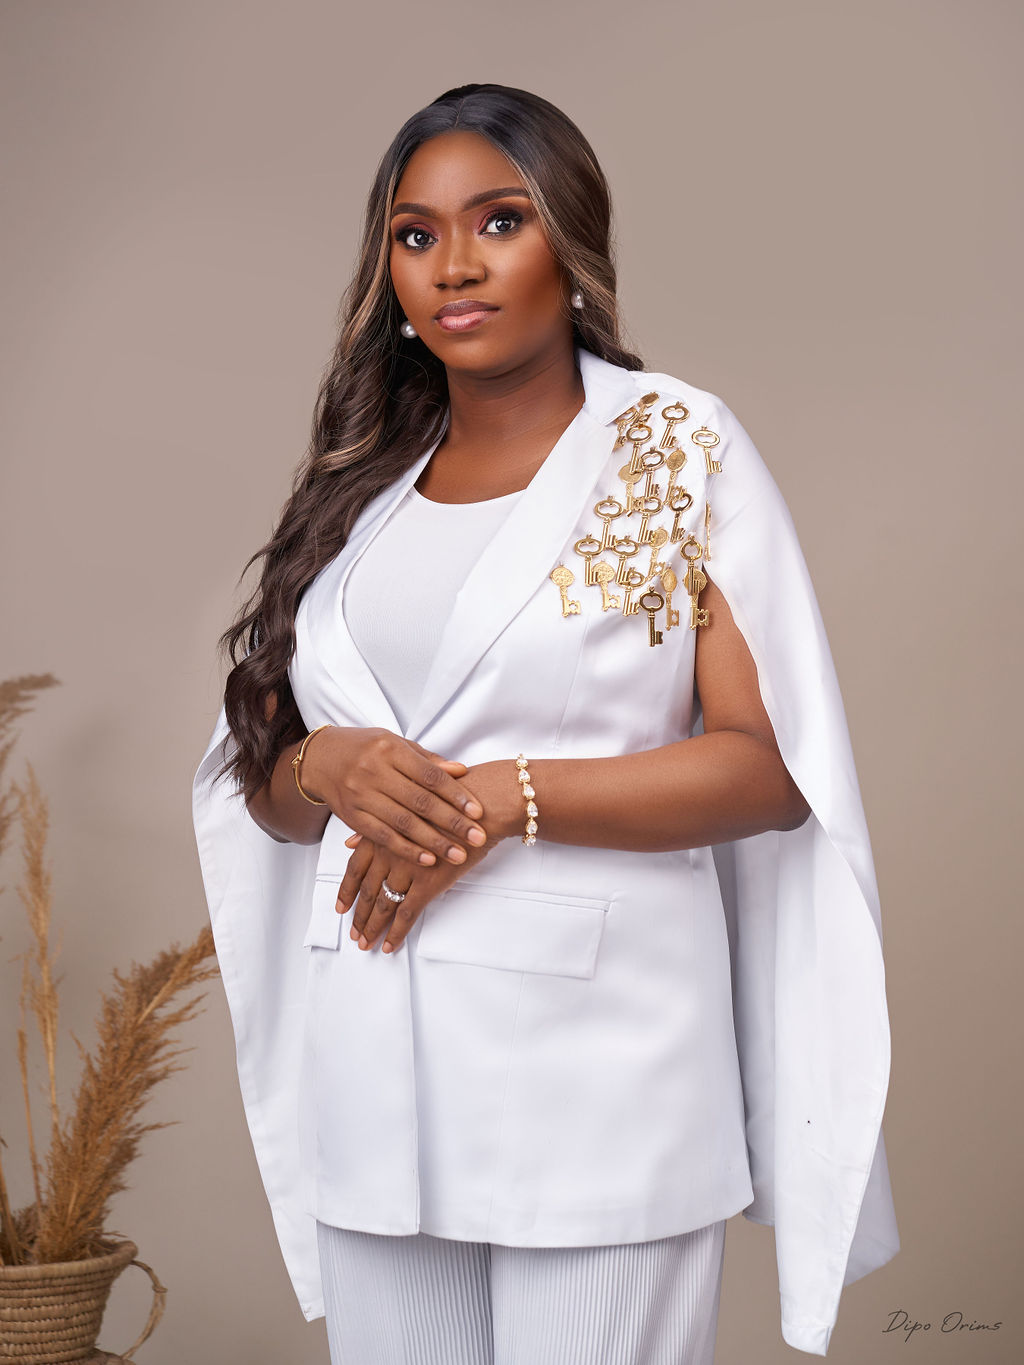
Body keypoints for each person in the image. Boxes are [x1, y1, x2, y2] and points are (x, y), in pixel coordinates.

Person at [192, 83, 898, 1364]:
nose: (453, 266)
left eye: (498, 221)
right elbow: (271, 799)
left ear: (570, 243)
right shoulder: (362, 489)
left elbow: (768, 766)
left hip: (597, 1078)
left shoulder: (669, 447)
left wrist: (503, 796)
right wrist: (324, 763)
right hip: (373, 1077)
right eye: (415, 236)